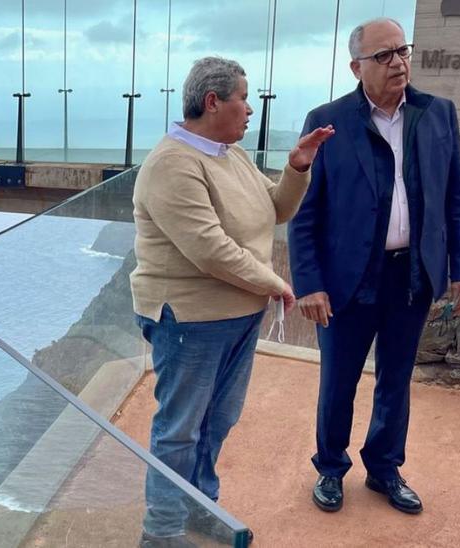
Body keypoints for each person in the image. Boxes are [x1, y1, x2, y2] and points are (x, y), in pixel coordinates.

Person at [131, 56, 334, 547]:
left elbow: (275, 209)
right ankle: (160, 532)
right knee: (180, 429)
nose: (250, 108)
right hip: (190, 319)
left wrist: (297, 166)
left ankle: (199, 506)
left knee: (218, 420)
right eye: (243, 97)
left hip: (238, 314)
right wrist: (277, 283)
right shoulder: (172, 164)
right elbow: (211, 249)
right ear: (213, 101)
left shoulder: (228, 153)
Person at [288, 17, 460, 515]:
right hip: (347, 278)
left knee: (396, 379)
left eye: (401, 50)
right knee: (339, 380)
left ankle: (384, 468)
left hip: (412, 275)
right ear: (356, 66)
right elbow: (305, 213)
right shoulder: (327, 119)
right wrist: (309, 283)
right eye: (383, 56)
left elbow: (458, 197)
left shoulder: (438, 114)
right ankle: (330, 467)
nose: (397, 62)